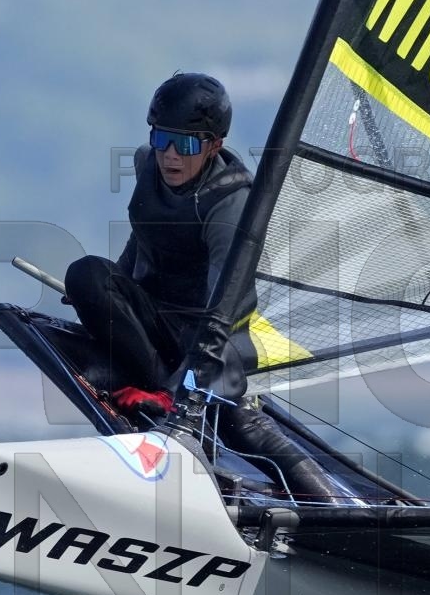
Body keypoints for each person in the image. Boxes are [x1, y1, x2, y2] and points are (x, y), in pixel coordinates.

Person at [65, 72, 335, 499]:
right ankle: (153, 382)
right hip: (157, 325)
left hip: (212, 338)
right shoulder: (147, 164)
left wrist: (180, 391)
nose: (170, 155)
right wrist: (105, 295)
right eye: (162, 139)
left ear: (214, 145)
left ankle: (340, 506)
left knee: (241, 425)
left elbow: (224, 306)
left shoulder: (231, 203)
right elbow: (145, 235)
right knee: (86, 274)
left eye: (186, 144)